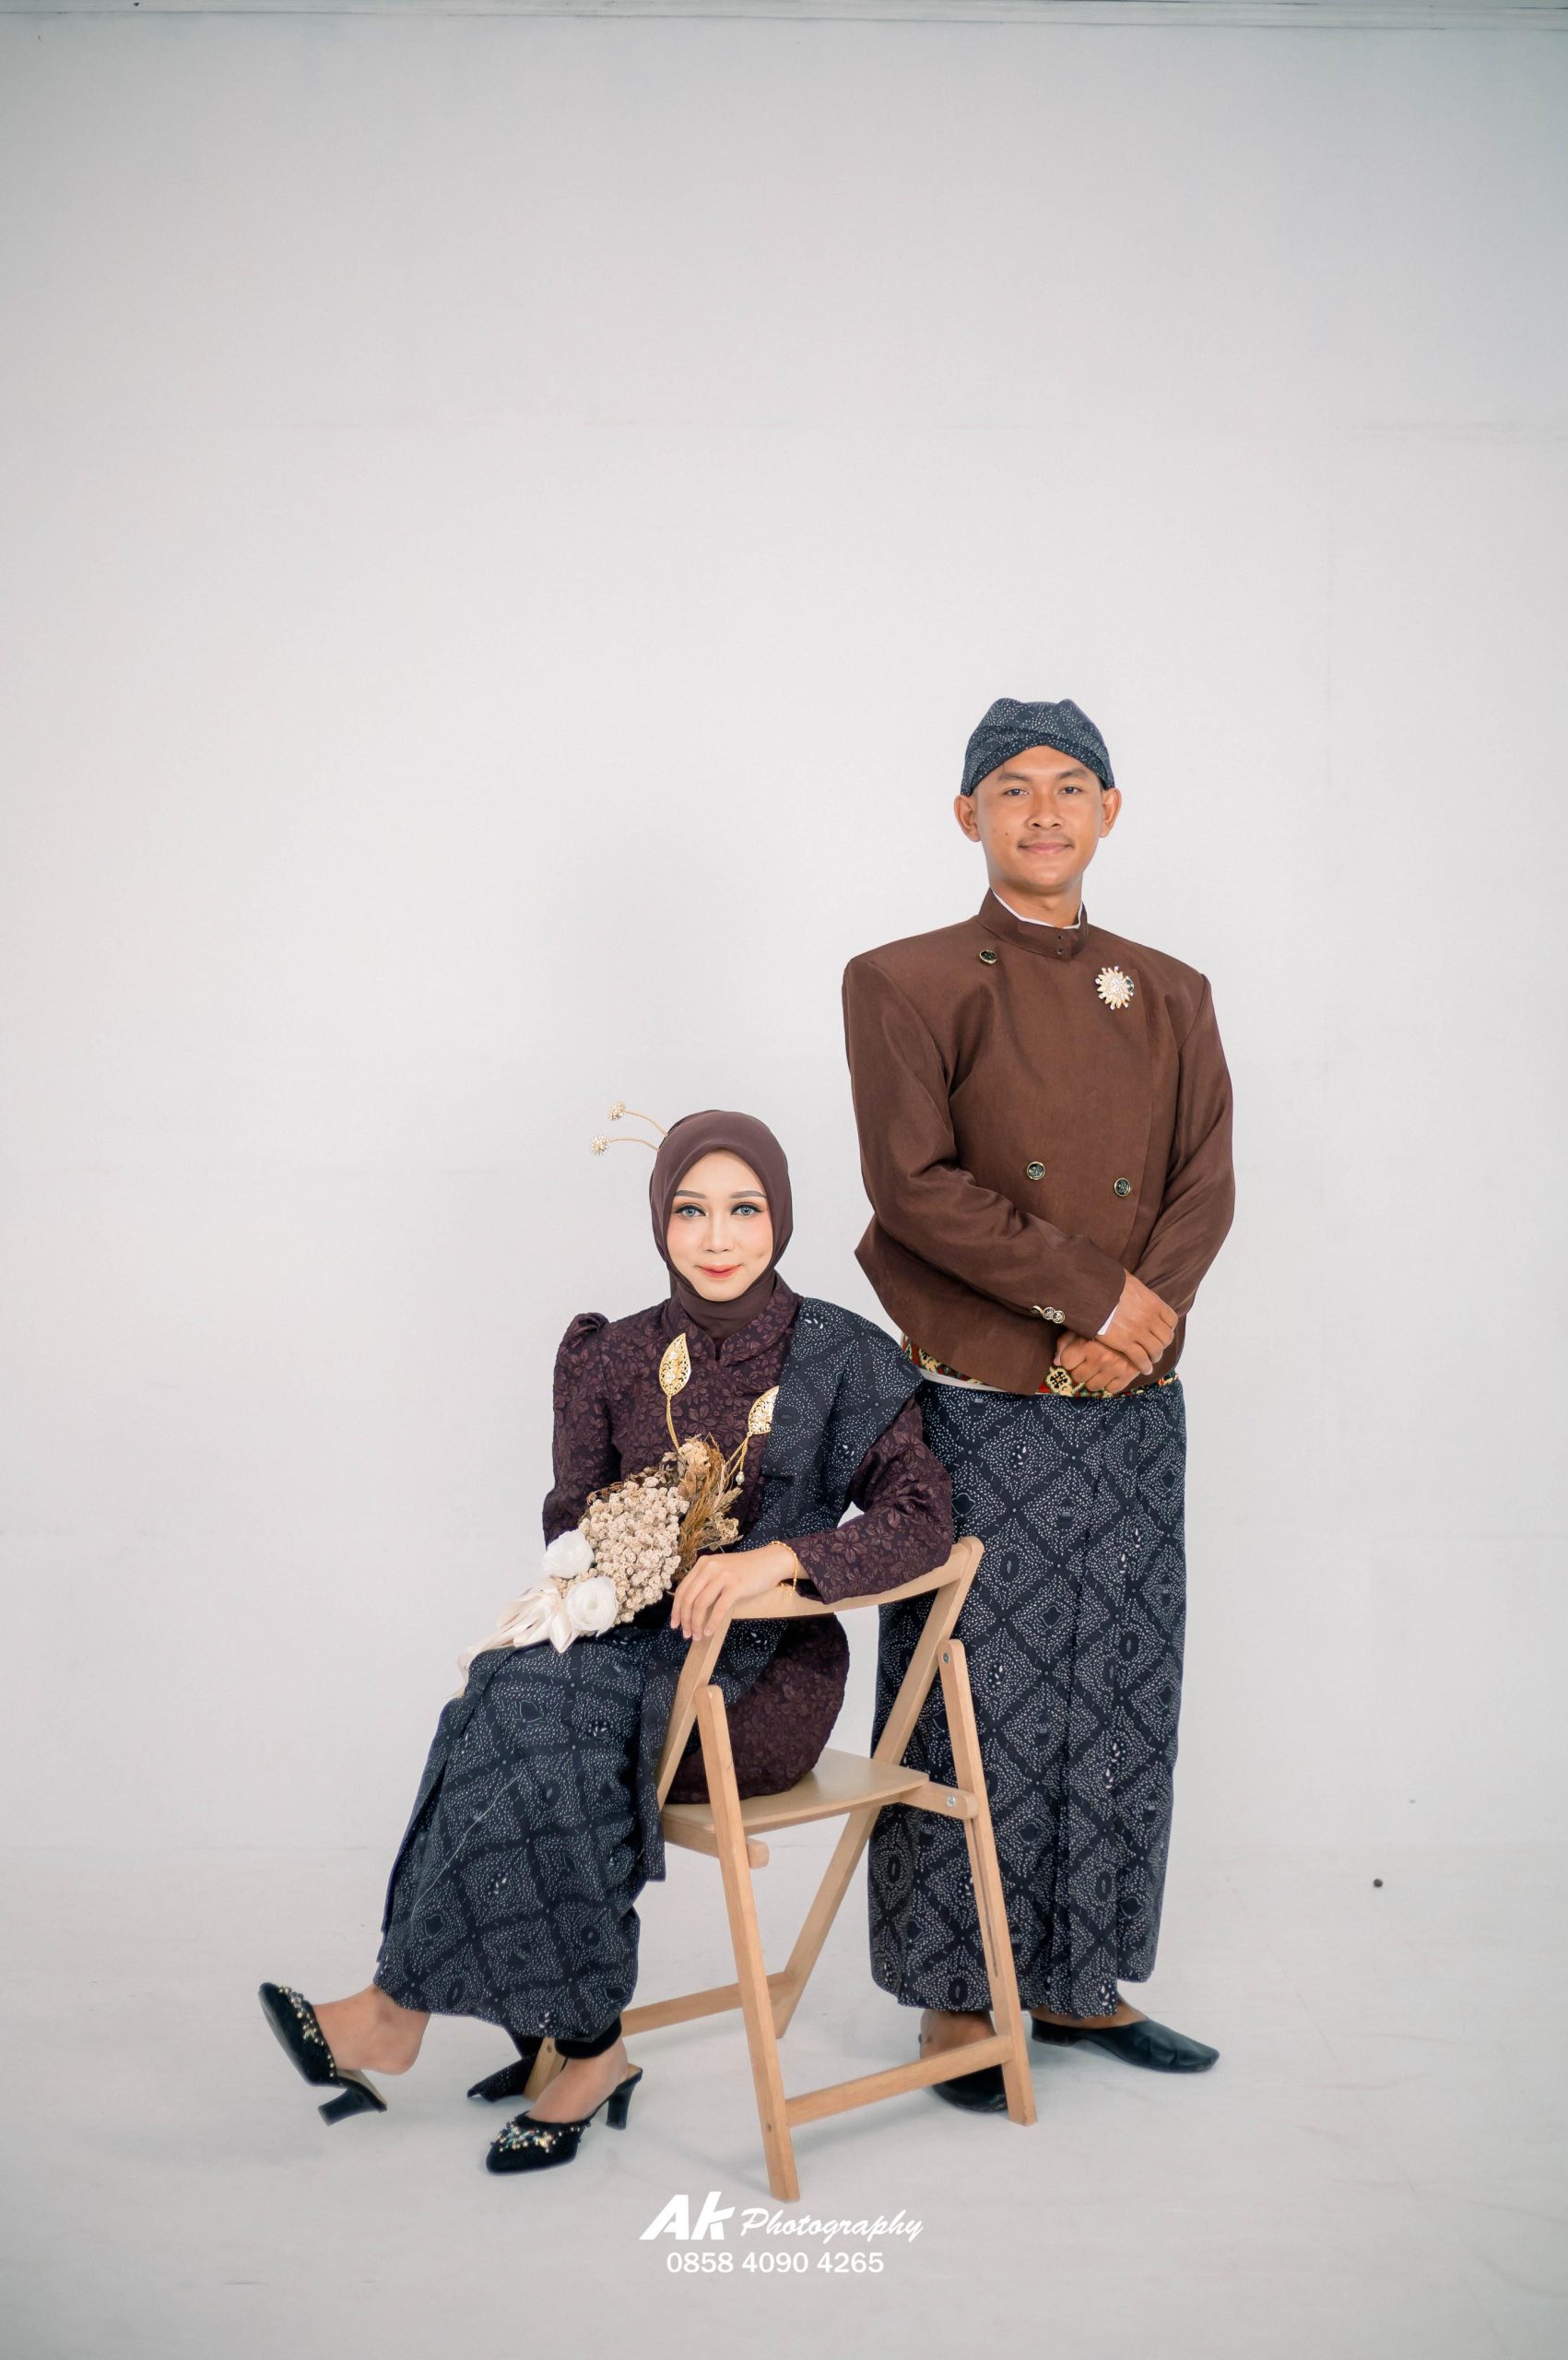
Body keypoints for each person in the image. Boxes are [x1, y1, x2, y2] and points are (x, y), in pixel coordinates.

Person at [258, 1109, 953, 2172]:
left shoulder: (842, 1356)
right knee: (503, 1689)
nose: (717, 1237)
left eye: (744, 1209)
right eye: (691, 1211)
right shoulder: (613, 1354)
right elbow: (568, 1524)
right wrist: (629, 1543)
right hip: (627, 1645)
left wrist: (775, 1560)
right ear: (660, 1220)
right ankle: (548, 2037)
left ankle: (500, 2031)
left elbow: (922, 1519)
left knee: (553, 1712)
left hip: (762, 1681)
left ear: (779, 1215)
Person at [841, 696, 1234, 2108]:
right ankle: (956, 2002)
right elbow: (914, 1188)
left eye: (1071, 786)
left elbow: (1201, 1183)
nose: (1044, 811)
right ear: (968, 815)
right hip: (982, 1400)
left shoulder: (1171, 989)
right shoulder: (901, 979)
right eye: (1012, 787)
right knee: (970, 1698)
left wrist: (1137, 1323)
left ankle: (1077, 1981)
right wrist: (1088, 1302)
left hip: (1133, 1400)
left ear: (1108, 811)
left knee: (1119, 1692)